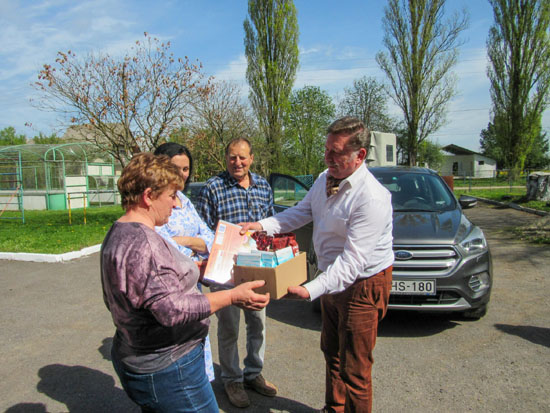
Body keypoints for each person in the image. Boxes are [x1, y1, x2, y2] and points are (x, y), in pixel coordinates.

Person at [240, 117, 394, 413]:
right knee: (332, 351)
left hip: (362, 283)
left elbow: (351, 263)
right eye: (326, 150)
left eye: (336, 152)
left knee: (355, 368)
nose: (327, 158)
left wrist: (311, 289)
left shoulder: (371, 198)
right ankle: (334, 408)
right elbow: (300, 213)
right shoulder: (325, 178)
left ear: (360, 155)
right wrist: (260, 225)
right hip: (331, 277)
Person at [101, 152, 269, 413]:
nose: (175, 203)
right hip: (170, 370)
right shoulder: (146, 244)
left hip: (140, 357)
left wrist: (195, 270)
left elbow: (143, 288)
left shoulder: (119, 231)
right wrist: (233, 296)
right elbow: (173, 310)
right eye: (171, 196)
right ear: (148, 196)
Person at [196, 137, 277, 409]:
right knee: (228, 328)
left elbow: (271, 222)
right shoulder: (213, 187)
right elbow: (203, 229)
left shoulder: (263, 186)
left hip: (257, 267)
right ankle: (232, 379)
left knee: (258, 324)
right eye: (232, 157)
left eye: (242, 157)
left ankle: (253, 373)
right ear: (226, 158)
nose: (237, 162)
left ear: (251, 158)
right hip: (226, 270)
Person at [153, 142, 216, 383]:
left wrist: (187, 241)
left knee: (197, 351)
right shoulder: (153, 203)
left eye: (186, 169)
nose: (181, 174)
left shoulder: (185, 201)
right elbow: (163, 249)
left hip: (194, 291)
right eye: (174, 168)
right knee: (177, 365)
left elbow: (211, 240)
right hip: (171, 295)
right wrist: (194, 246)